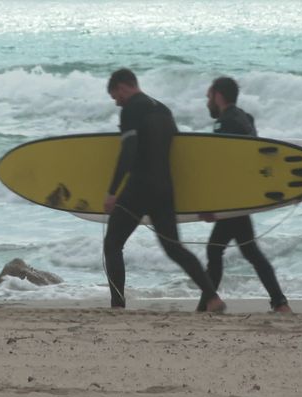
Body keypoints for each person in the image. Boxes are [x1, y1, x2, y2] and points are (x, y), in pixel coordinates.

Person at [103, 68, 226, 312]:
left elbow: (128, 150)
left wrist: (112, 191)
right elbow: (182, 158)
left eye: (116, 97)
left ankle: (117, 305)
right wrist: (201, 202)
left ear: (122, 87)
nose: (117, 103)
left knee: (113, 243)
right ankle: (212, 297)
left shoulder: (132, 109)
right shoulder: (164, 110)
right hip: (164, 189)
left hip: (139, 187)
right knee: (174, 248)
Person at [196, 76, 291, 313]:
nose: (207, 102)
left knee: (216, 250)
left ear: (218, 95)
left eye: (209, 97)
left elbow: (220, 166)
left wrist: (211, 203)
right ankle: (279, 303)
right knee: (249, 252)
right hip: (245, 198)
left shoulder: (223, 124)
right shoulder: (246, 119)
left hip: (232, 200)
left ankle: (208, 304)